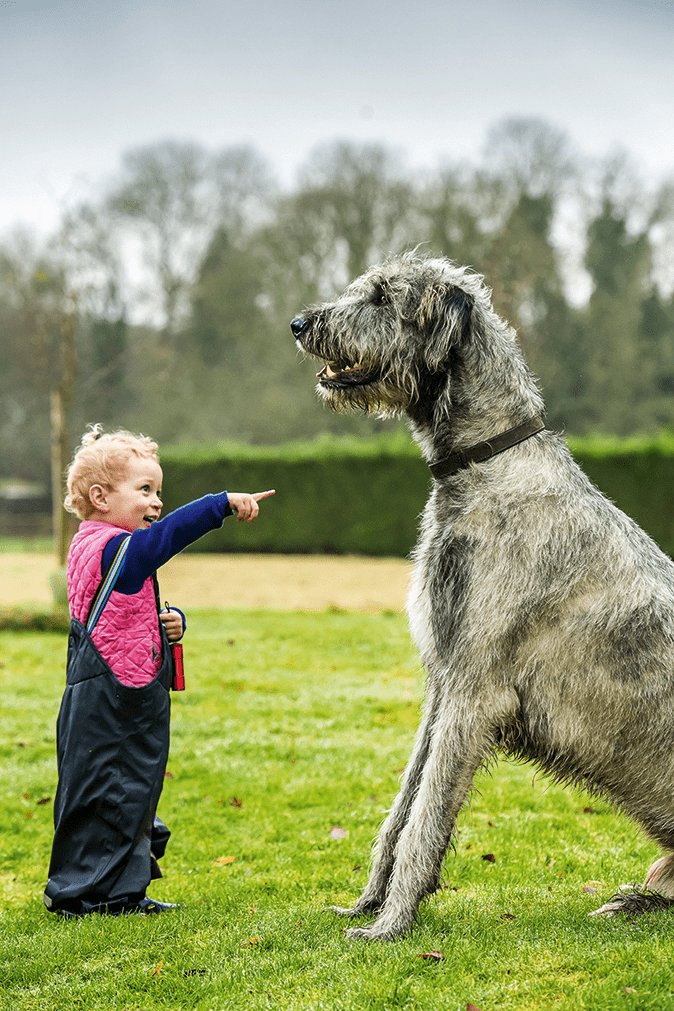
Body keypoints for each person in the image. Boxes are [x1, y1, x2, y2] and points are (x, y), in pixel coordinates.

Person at [43, 426, 274, 917]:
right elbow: (154, 550)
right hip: (106, 700)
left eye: (158, 492)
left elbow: (128, 610)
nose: (155, 503)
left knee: (134, 789)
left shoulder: (118, 546)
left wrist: (172, 623)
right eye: (144, 490)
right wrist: (219, 504)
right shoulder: (102, 546)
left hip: (133, 694)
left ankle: (125, 892)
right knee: (103, 790)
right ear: (101, 498)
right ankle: (80, 894)